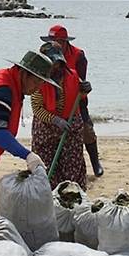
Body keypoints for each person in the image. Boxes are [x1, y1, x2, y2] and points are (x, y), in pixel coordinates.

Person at [40, 24, 104, 177]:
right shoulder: (46, 52)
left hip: (76, 99)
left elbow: (80, 79)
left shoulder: (78, 55)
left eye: (57, 41)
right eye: (52, 40)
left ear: (65, 41)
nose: (54, 43)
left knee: (86, 130)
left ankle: (95, 163)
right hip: (52, 99)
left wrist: (84, 87)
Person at [31, 41, 90, 190]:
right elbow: (37, 109)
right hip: (46, 129)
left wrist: (84, 91)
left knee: (72, 170)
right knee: (46, 169)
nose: (56, 67)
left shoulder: (72, 75)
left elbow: (79, 97)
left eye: (58, 63)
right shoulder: (36, 80)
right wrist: (55, 120)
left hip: (71, 127)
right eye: (52, 63)